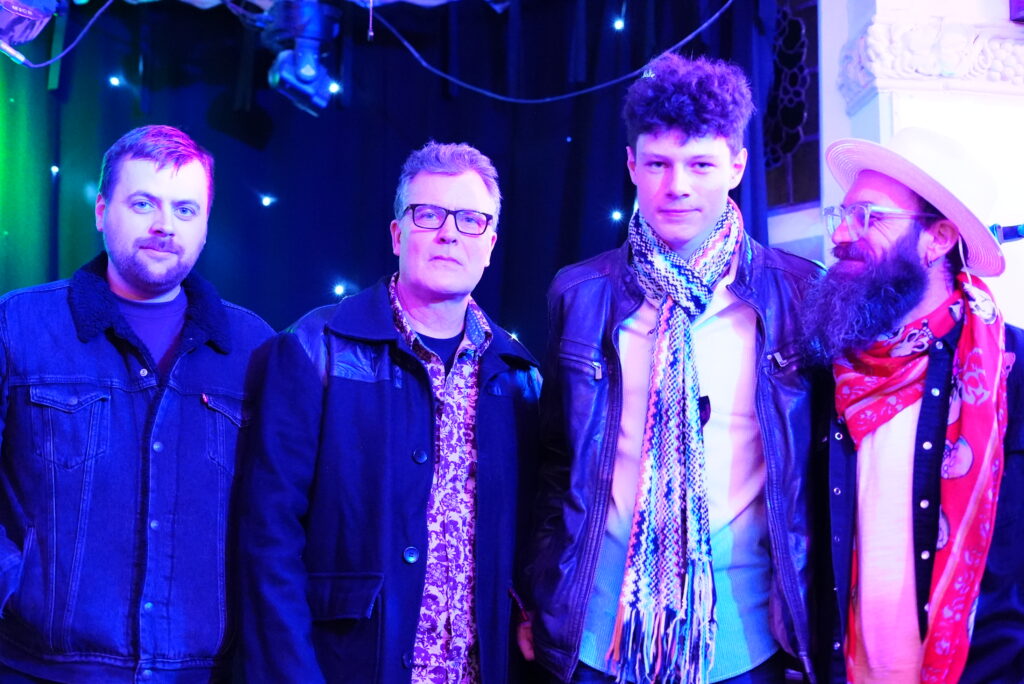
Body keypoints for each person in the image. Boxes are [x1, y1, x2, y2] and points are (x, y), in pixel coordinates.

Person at [521, 53, 823, 684]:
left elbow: (816, 477)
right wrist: (538, 592)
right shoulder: (579, 295)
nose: (676, 185)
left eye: (700, 165)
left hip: (747, 638)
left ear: (737, 166)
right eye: (657, 163)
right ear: (632, 166)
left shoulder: (797, 295)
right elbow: (554, 463)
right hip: (599, 634)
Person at [239, 141, 541, 683]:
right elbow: (268, 537)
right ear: (398, 234)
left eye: (471, 219)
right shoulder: (314, 348)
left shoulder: (518, 375)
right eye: (430, 215)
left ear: (490, 244)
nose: (449, 233)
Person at [0, 124, 274, 681]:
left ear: (204, 227)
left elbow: (281, 516)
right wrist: (12, 585)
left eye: (185, 210)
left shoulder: (256, 348)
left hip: (202, 672)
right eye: (143, 203)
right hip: (39, 668)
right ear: (102, 211)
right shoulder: (18, 325)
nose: (164, 226)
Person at [803, 127, 1024, 684]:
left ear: (938, 238)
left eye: (869, 217)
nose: (843, 235)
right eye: (843, 216)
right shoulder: (829, 371)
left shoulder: (1014, 371)